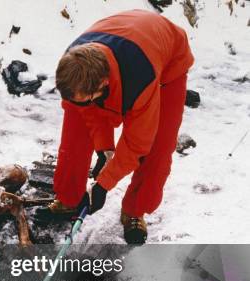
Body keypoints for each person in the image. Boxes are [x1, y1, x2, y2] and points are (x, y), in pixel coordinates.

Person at [37, 10, 194, 244]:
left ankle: (134, 210)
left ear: (104, 83)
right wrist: (104, 148)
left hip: (167, 61)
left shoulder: (141, 77)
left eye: (89, 97)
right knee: (75, 132)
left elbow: (137, 143)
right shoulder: (73, 66)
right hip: (121, 38)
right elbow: (87, 109)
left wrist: (103, 185)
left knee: (158, 147)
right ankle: (69, 198)